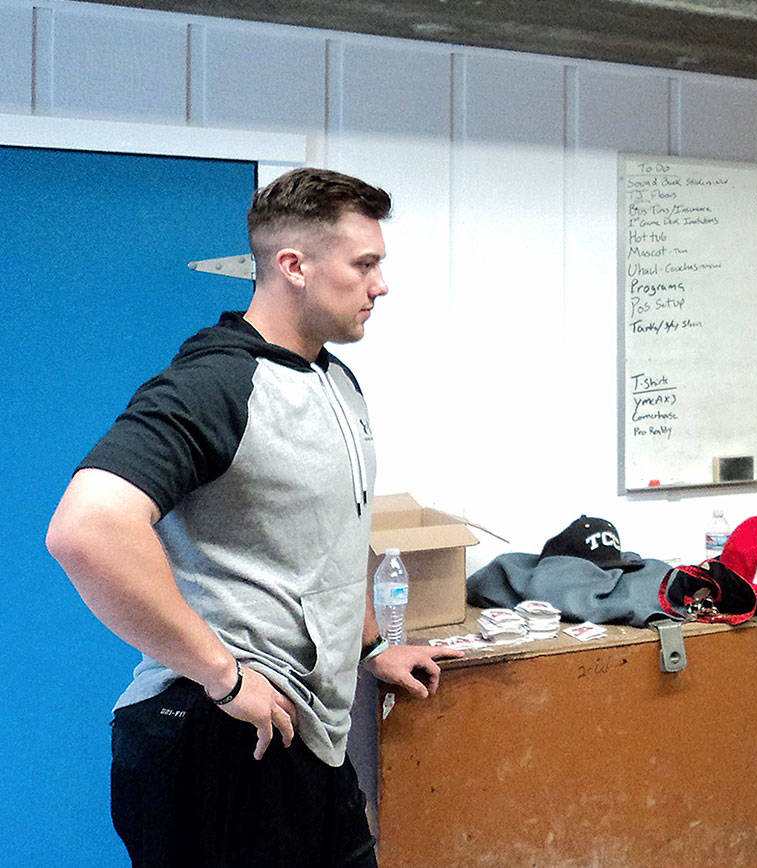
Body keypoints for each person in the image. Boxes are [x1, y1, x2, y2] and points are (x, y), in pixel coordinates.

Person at [46, 167, 461, 867]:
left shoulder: (334, 380)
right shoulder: (216, 383)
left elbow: (331, 536)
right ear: (293, 266)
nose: (380, 284)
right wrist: (223, 675)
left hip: (305, 740)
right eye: (365, 264)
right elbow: (86, 530)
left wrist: (369, 647)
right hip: (221, 738)